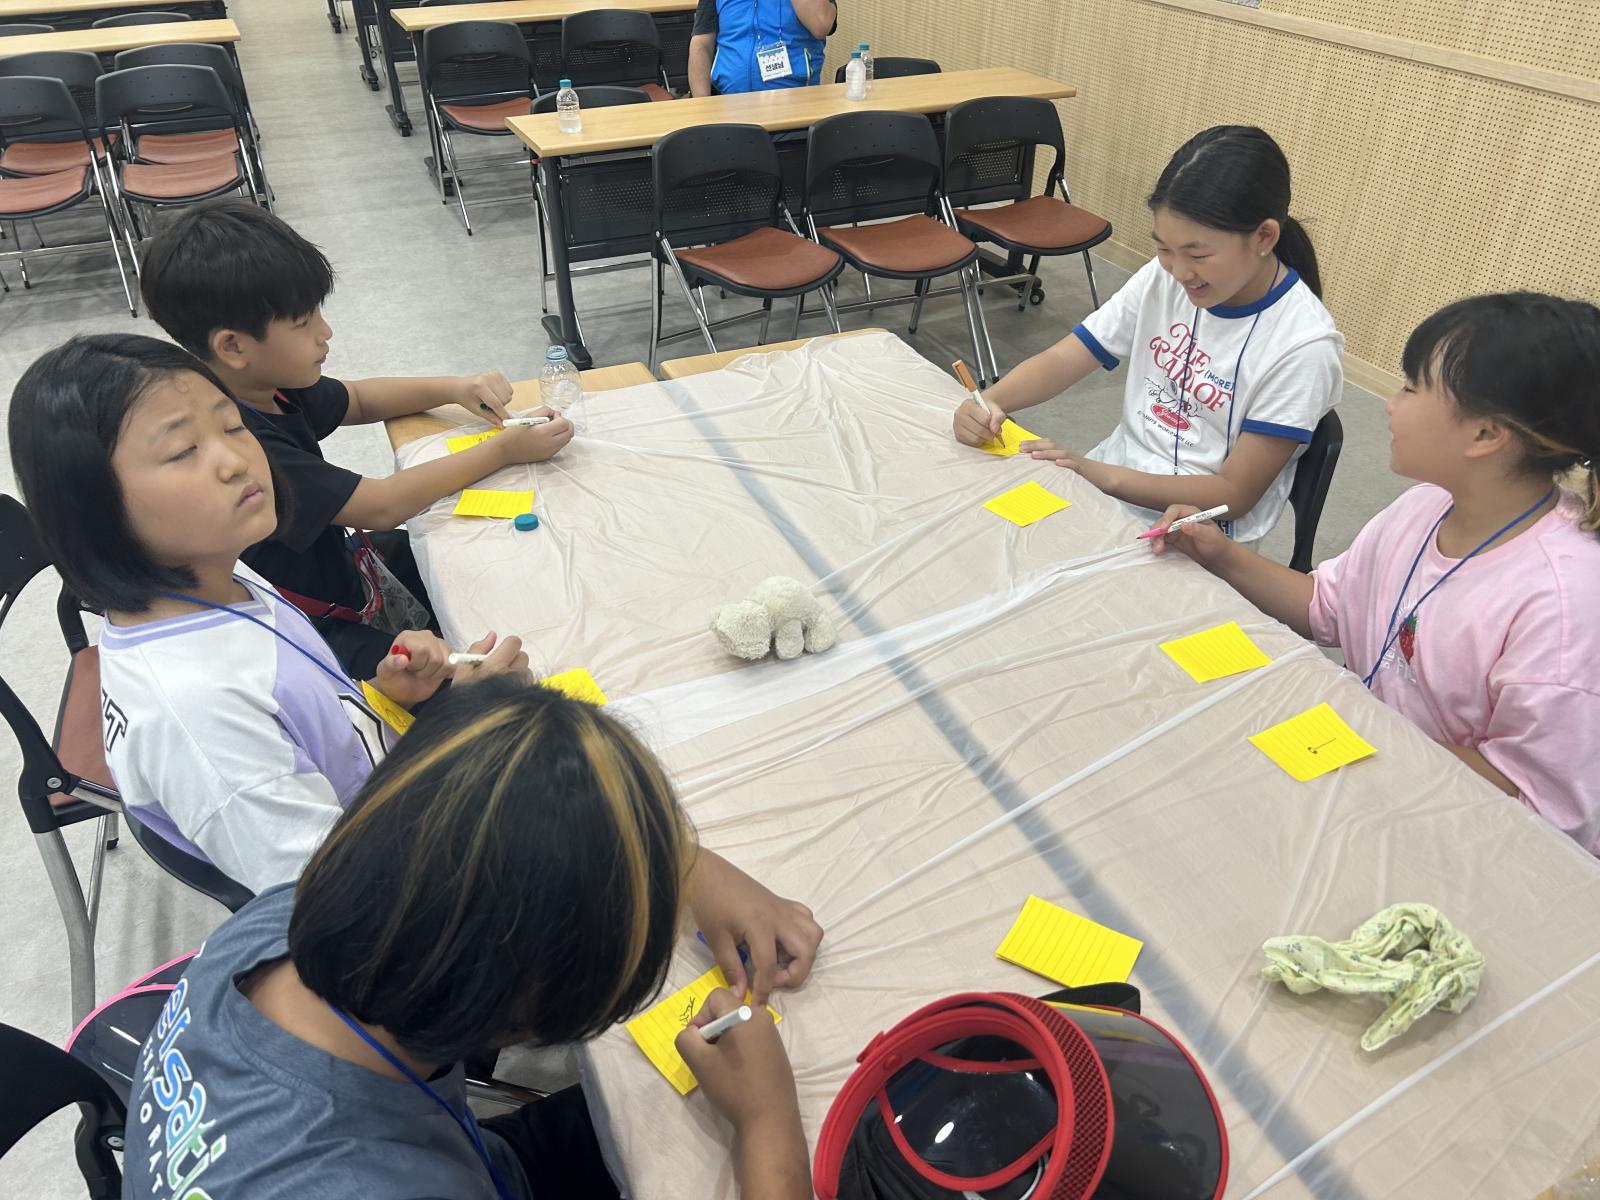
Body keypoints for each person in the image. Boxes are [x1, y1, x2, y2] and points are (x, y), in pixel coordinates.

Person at [124, 676, 821, 1199]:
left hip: (458, 1154)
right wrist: (767, 1127)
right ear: (525, 1018)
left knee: (651, 1107)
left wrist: (677, 862)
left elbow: (499, 813)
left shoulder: (292, 913)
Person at [8, 334, 529, 892]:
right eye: (183, 451)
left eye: (234, 426)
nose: (237, 461)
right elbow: (340, 896)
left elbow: (315, 734)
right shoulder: (199, 717)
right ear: (93, 508)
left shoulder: (221, 572)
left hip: (385, 797)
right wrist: (470, 729)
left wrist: (385, 699)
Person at [1151, 293, 1600, 853]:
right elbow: (1326, 607)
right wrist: (1218, 553)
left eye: (1411, 387)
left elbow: (1538, 806)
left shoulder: (1565, 603)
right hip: (1375, 775)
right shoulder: (1426, 505)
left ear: (1486, 435)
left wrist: (1366, 736)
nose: (1389, 404)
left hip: (1458, 836)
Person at [138, 198, 574, 680]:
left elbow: (359, 400)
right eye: (303, 322)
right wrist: (505, 448)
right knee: (461, 678)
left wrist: (456, 388)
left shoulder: (266, 384)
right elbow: (381, 505)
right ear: (233, 346)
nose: (325, 332)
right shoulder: (240, 445)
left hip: (343, 568)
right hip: (313, 627)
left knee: (467, 555)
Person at [955, 126, 1343, 550]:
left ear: (1264, 237)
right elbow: (1067, 358)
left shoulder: (1303, 347)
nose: (1179, 271)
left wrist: (1100, 475)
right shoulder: (1164, 277)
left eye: (1198, 255)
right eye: (1164, 249)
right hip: (1112, 479)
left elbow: (1234, 493)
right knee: (982, 533)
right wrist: (991, 403)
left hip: (1198, 528)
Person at [688, 0, 836, 96]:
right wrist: (703, 108)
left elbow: (821, 24)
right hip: (728, 101)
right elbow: (701, 44)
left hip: (795, 100)